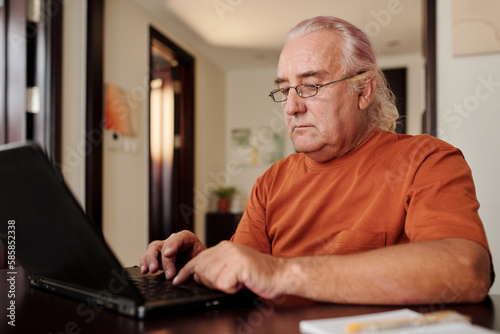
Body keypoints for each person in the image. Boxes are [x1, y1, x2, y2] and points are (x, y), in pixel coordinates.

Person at [140, 16, 493, 305]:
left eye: (311, 86)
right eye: (284, 90)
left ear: (364, 91)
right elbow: (247, 273)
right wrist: (202, 266)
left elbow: (466, 269)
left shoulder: (426, 160)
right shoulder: (272, 181)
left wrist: (282, 273)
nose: (292, 106)